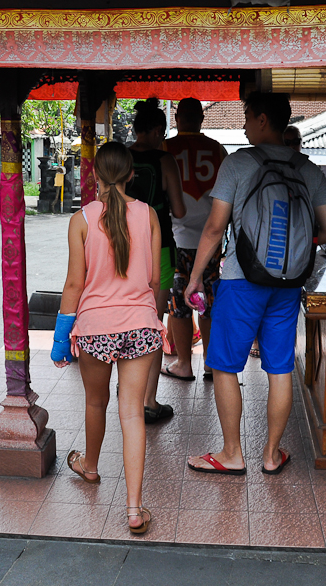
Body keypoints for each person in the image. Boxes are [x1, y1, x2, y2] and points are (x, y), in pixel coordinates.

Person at [184, 92, 326, 475]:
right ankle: (271, 454)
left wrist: (194, 278)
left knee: (224, 365)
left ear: (264, 120)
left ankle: (232, 453)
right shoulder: (308, 168)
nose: (243, 125)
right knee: (279, 367)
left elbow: (215, 226)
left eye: (248, 117)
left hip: (242, 279)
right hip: (289, 283)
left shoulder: (238, 163)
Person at [51, 141, 163, 535]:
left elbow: (73, 284)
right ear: (132, 174)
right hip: (141, 323)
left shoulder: (81, 219)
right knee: (131, 412)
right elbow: (152, 279)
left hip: (95, 326)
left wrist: (61, 336)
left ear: (94, 175)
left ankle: (91, 467)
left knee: (95, 402)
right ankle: (134, 509)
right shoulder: (148, 215)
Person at [126, 98, 186, 423]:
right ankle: (148, 400)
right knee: (153, 322)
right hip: (157, 250)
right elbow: (179, 210)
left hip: (121, 251)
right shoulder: (165, 160)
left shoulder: (119, 157)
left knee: (128, 319)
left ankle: (128, 394)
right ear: (157, 130)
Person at [161, 97, 227, 381]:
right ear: (201, 119)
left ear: (176, 119)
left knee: (179, 305)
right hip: (211, 240)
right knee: (208, 302)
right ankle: (211, 363)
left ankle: (184, 363)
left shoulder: (164, 149)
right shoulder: (218, 150)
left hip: (176, 238)